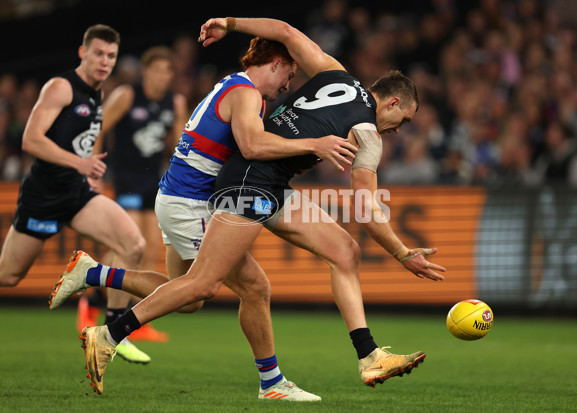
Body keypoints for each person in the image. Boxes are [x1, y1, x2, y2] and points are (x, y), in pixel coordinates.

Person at [55, 16, 446, 399]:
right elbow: (365, 205)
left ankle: (366, 356)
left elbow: (287, 31)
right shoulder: (366, 134)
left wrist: (231, 22)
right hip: (244, 184)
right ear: (393, 101)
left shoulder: (337, 74)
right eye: (404, 119)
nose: (399, 128)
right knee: (204, 287)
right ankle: (109, 335)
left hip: (262, 183)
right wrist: (401, 251)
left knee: (342, 251)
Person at [0, 25, 151, 362]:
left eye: (111, 56)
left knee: (133, 245)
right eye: (98, 53)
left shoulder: (97, 93)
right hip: (44, 195)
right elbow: (31, 140)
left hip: (76, 192)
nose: (105, 61)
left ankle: (112, 333)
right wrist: (79, 164)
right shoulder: (61, 87)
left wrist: (86, 172)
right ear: (83, 53)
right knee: (8, 276)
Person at [78, 46, 188, 344]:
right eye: (158, 70)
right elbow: (99, 128)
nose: (163, 77)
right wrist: (93, 170)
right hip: (125, 179)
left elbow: (180, 144)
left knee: (150, 250)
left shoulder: (174, 102)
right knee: (130, 246)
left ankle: (133, 316)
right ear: (146, 71)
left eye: (168, 71)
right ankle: (89, 303)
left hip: (153, 181)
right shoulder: (127, 95)